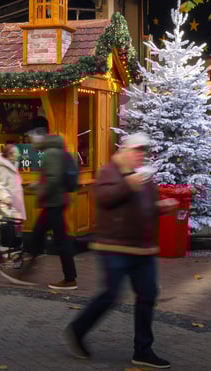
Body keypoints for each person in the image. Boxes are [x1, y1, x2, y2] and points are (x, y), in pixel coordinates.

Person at [64, 133, 175, 369]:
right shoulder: (109, 172)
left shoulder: (143, 176)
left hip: (143, 249)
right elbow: (104, 199)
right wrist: (129, 184)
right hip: (113, 246)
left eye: (142, 152)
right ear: (124, 151)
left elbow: (145, 205)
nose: (139, 156)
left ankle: (143, 350)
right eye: (135, 151)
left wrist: (160, 207)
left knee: (148, 295)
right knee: (110, 295)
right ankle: (77, 330)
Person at [16, 128, 77, 290]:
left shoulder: (50, 153)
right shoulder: (56, 150)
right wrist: (39, 186)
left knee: (56, 240)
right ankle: (25, 273)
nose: (31, 143)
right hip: (55, 201)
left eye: (32, 139)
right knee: (38, 236)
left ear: (40, 138)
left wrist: (39, 189)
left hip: (53, 203)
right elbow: (51, 178)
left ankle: (69, 279)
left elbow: (52, 179)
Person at [0, 143, 26, 251]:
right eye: (16, 153)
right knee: (7, 227)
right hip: (6, 204)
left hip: (14, 202)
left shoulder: (12, 164)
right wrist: (7, 199)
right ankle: (6, 251)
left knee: (15, 228)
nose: (18, 155)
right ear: (9, 155)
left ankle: (14, 251)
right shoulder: (1, 167)